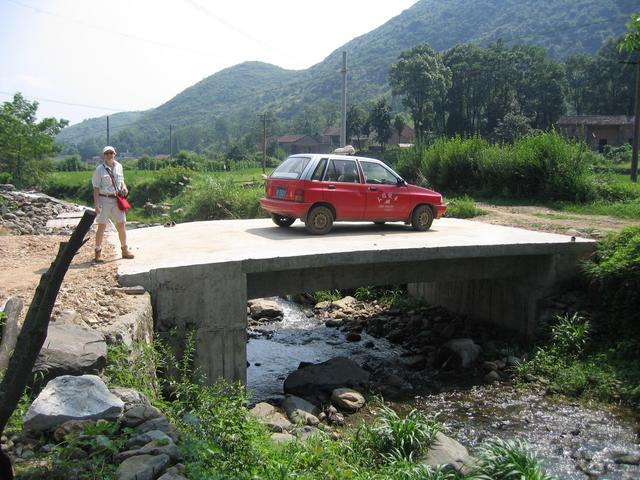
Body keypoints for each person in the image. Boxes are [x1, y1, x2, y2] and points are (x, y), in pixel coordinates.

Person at [92, 145, 134, 262]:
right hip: (104, 199)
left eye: (111, 153)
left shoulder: (119, 166)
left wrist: (124, 187)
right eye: (107, 153)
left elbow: (122, 181)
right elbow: (95, 188)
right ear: (104, 156)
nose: (109, 155)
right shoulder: (99, 169)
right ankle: (98, 251)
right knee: (102, 226)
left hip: (117, 199)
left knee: (122, 224)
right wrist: (97, 205)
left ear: (115, 154)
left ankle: (124, 250)